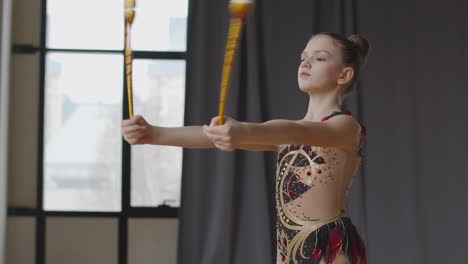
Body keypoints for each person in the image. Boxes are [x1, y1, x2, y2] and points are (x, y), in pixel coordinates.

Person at [121, 32, 369, 264]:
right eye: (303, 58)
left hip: (329, 248)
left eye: (319, 58)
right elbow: (211, 136)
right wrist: (153, 133)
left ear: (344, 75)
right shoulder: (285, 132)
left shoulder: (345, 127)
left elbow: (298, 131)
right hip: (289, 249)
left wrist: (243, 130)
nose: (305, 63)